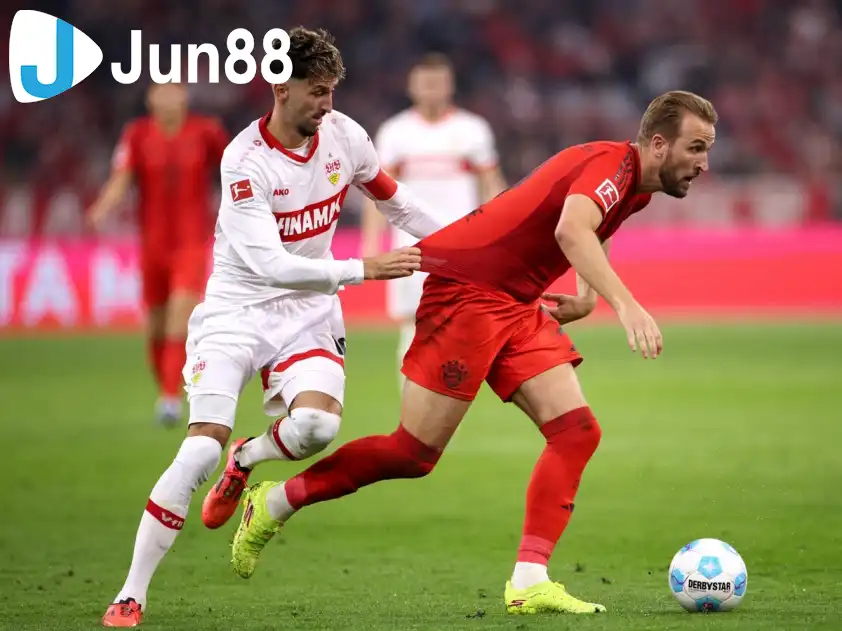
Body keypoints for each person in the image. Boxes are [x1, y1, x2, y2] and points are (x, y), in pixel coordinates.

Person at [227, 91, 718, 615]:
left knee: (576, 431)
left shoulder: (634, 184)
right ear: (659, 144)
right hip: (467, 290)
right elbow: (572, 228)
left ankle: (529, 580)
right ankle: (275, 501)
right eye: (696, 147)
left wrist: (587, 296)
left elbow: (597, 224)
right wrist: (625, 305)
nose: (704, 163)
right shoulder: (612, 166)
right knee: (413, 453)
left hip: (515, 301)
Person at [101, 27, 444, 628]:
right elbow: (271, 265)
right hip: (238, 311)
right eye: (317, 91)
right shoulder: (245, 161)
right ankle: (132, 592)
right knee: (199, 448)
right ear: (281, 88)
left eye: (333, 91)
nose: (328, 104)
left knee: (316, 427)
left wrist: (466, 247)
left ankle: (248, 459)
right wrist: (364, 268)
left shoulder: (344, 137)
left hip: (307, 312)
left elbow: (399, 203)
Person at [87, 82, 229, 426]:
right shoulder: (137, 134)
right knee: (155, 327)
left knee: (180, 315)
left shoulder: (206, 131)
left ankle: (170, 398)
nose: (167, 98)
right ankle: (166, 385)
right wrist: (102, 208)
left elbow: (233, 168)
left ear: (184, 96)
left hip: (191, 243)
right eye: (160, 92)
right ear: (150, 99)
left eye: (173, 91)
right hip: (152, 245)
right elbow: (122, 177)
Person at [360, 53, 506, 385]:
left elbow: (492, 184)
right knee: (413, 324)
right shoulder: (395, 132)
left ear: (449, 86)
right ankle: (412, 401)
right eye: (425, 83)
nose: (431, 89)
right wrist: (371, 243)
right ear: (412, 87)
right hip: (411, 246)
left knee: (464, 324)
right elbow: (376, 192)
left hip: (463, 242)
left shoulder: (472, 130)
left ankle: (449, 395)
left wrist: (501, 234)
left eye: (437, 83)